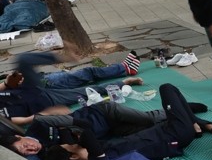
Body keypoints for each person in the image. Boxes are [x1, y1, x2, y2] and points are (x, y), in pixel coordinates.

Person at [41, 83, 208, 160]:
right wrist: (58, 119)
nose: (72, 142)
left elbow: (77, 137)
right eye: (70, 145)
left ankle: (196, 122)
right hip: (176, 134)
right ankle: (195, 122)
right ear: (73, 157)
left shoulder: (94, 157)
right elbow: (85, 128)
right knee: (167, 88)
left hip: (165, 131)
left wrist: (64, 136)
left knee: (144, 121)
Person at [0, 51, 142, 119]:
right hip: (41, 102)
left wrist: (7, 83)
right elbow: (16, 123)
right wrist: (45, 114)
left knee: (83, 74)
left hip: (28, 87)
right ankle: (123, 81)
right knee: (88, 91)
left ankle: (123, 68)